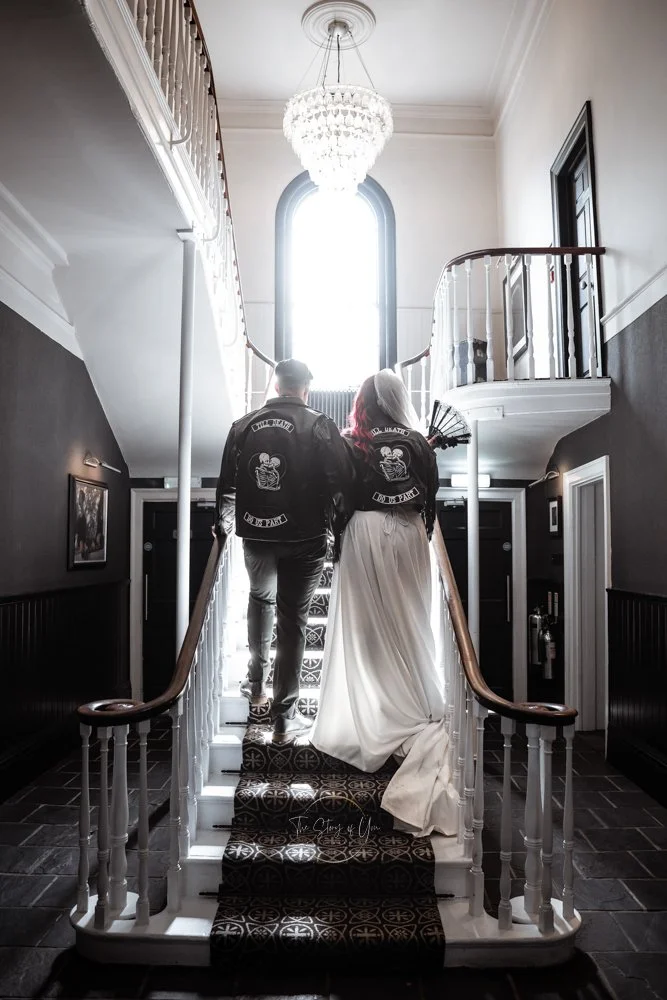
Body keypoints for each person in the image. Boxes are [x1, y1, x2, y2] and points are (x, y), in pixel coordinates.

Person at [310, 369, 458, 837]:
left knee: (366, 629)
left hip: (365, 532)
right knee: (411, 620)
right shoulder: (418, 443)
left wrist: (337, 537)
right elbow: (430, 497)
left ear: (364, 404)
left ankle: (376, 711)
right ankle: (413, 701)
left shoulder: (352, 442)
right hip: (409, 534)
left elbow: (338, 496)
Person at [215, 358, 352, 742]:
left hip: (256, 535)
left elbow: (227, 486)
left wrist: (223, 525)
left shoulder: (242, 426)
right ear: (306, 388)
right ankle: (283, 719)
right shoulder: (320, 425)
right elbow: (340, 485)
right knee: (293, 622)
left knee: (261, 600)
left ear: (276, 386)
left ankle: (257, 683)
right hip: (306, 539)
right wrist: (338, 533)